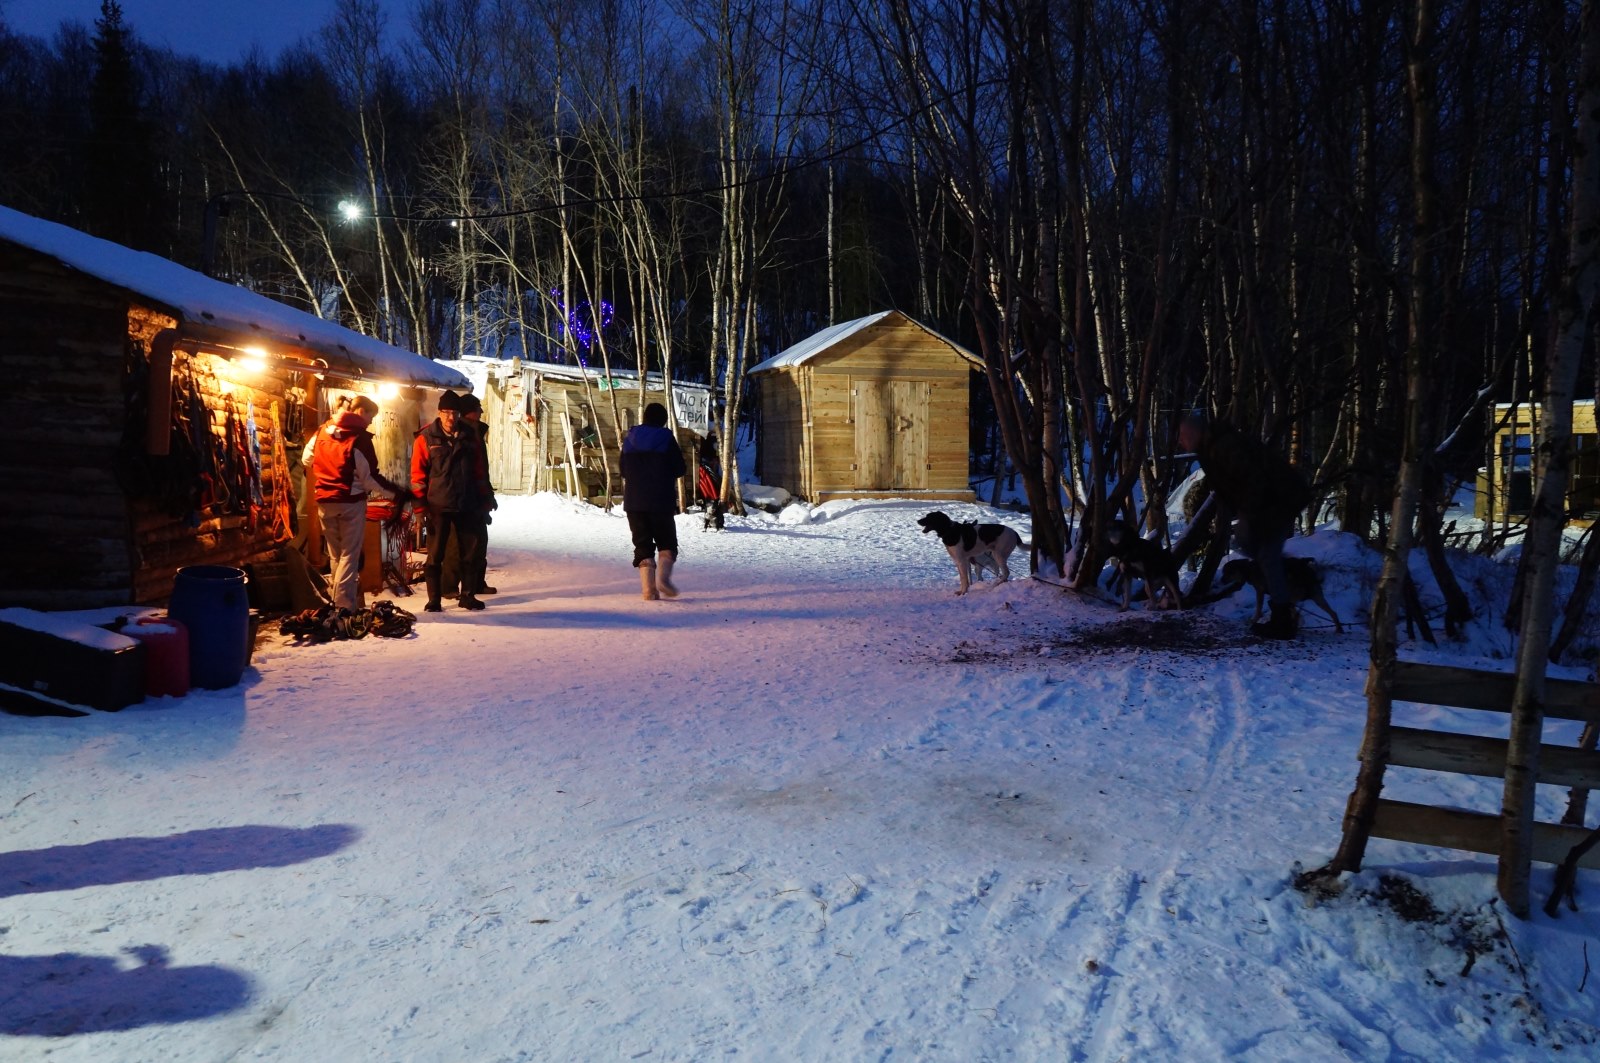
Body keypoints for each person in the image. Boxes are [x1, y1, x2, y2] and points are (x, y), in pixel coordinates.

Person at [1177, 411, 1312, 639]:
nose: (1181, 441)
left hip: (1280, 498)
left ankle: (1283, 617)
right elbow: (1225, 486)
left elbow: (1253, 479)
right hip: (1267, 502)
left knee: (1266, 554)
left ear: (1195, 431)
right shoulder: (1209, 450)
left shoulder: (1224, 446)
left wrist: (1247, 515)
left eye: (1183, 435)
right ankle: (1284, 587)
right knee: (1254, 548)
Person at [301, 394, 409, 612]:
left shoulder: (322, 431)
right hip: (350, 503)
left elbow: (306, 459)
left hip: (324, 501)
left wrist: (326, 470)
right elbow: (370, 479)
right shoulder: (359, 439)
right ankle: (344, 607)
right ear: (361, 411)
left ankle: (335, 602)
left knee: (335, 555)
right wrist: (396, 494)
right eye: (371, 417)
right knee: (349, 555)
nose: (370, 422)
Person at [412, 390, 493, 613]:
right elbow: (417, 475)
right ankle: (434, 600)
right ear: (439, 413)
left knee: (470, 553)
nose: (450, 417)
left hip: (467, 504)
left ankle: (467, 596)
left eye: (454, 413)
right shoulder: (426, 438)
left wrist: (486, 498)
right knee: (435, 555)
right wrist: (419, 506)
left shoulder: (470, 436)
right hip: (439, 506)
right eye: (446, 412)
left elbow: (479, 472)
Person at [621, 402, 687, 600]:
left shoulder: (630, 438)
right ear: (663, 420)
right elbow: (680, 469)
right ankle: (663, 580)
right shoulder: (666, 438)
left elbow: (623, 470)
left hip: (634, 502)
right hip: (661, 501)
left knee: (642, 543)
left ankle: (649, 590)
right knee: (667, 542)